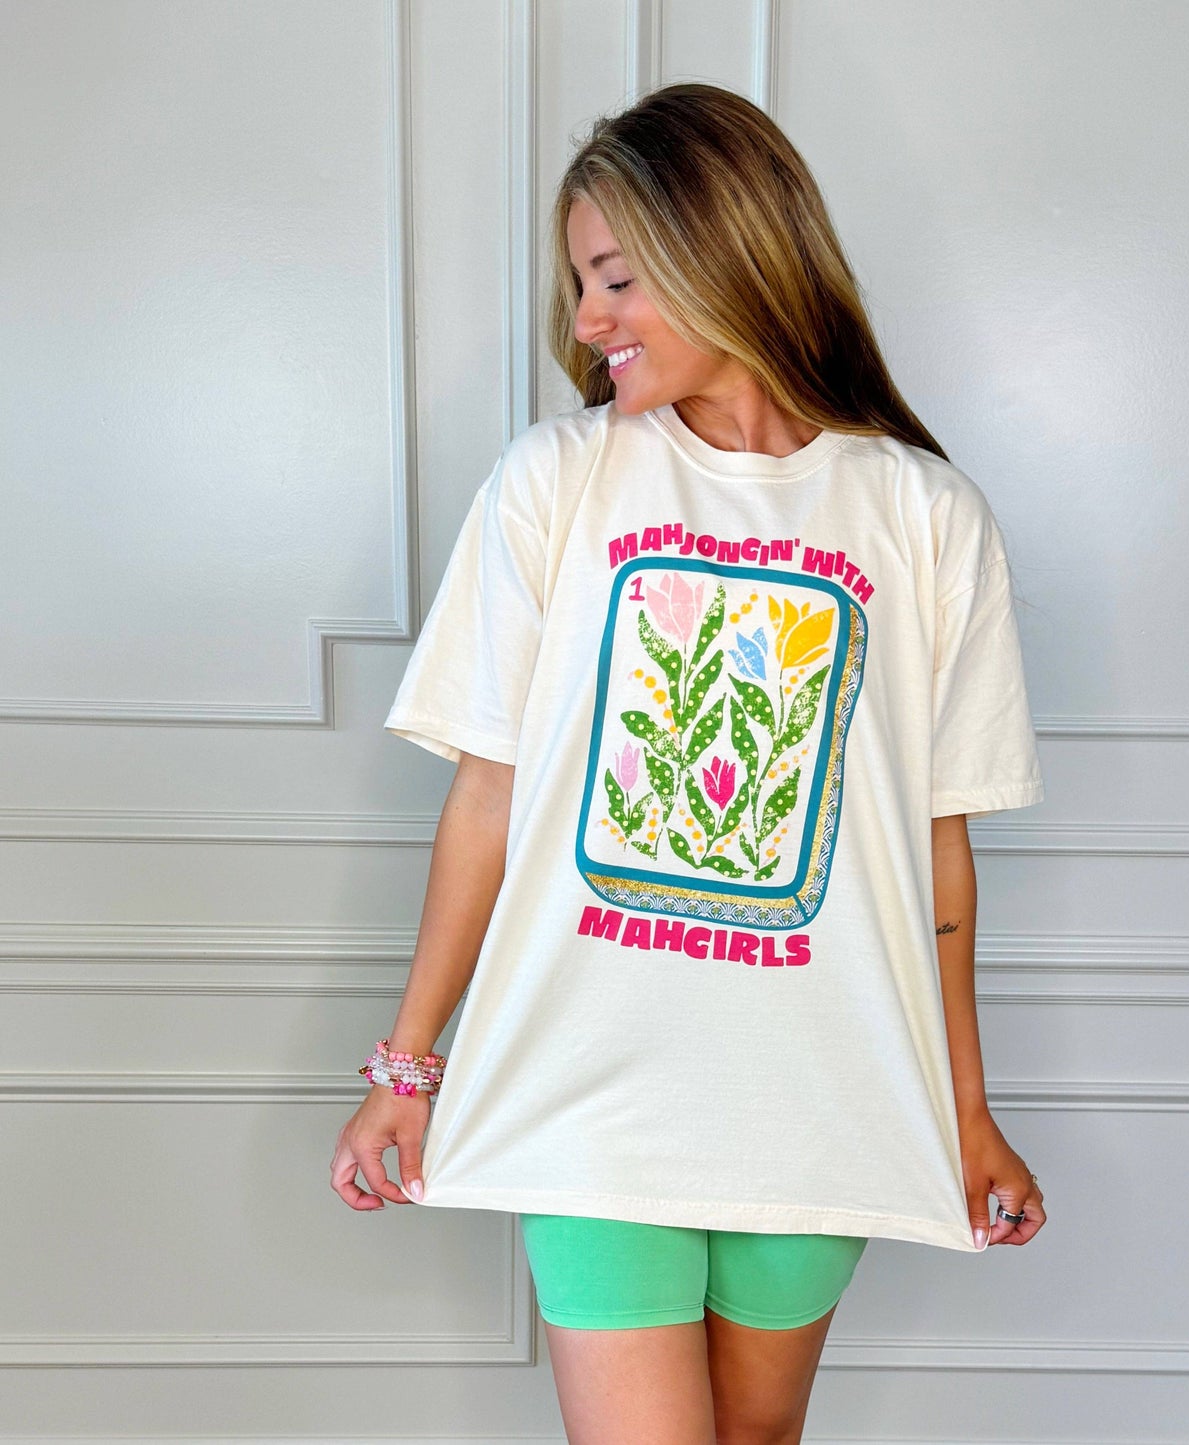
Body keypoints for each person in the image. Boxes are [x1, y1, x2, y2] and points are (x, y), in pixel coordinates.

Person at [330, 81, 1047, 1444]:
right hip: (590, 1092)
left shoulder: (924, 514)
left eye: (614, 277)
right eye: (579, 284)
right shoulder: (557, 483)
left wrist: (963, 1109)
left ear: (730, 247)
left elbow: (936, 853)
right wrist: (403, 1065)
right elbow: (486, 796)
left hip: (822, 1093)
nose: (587, 320)